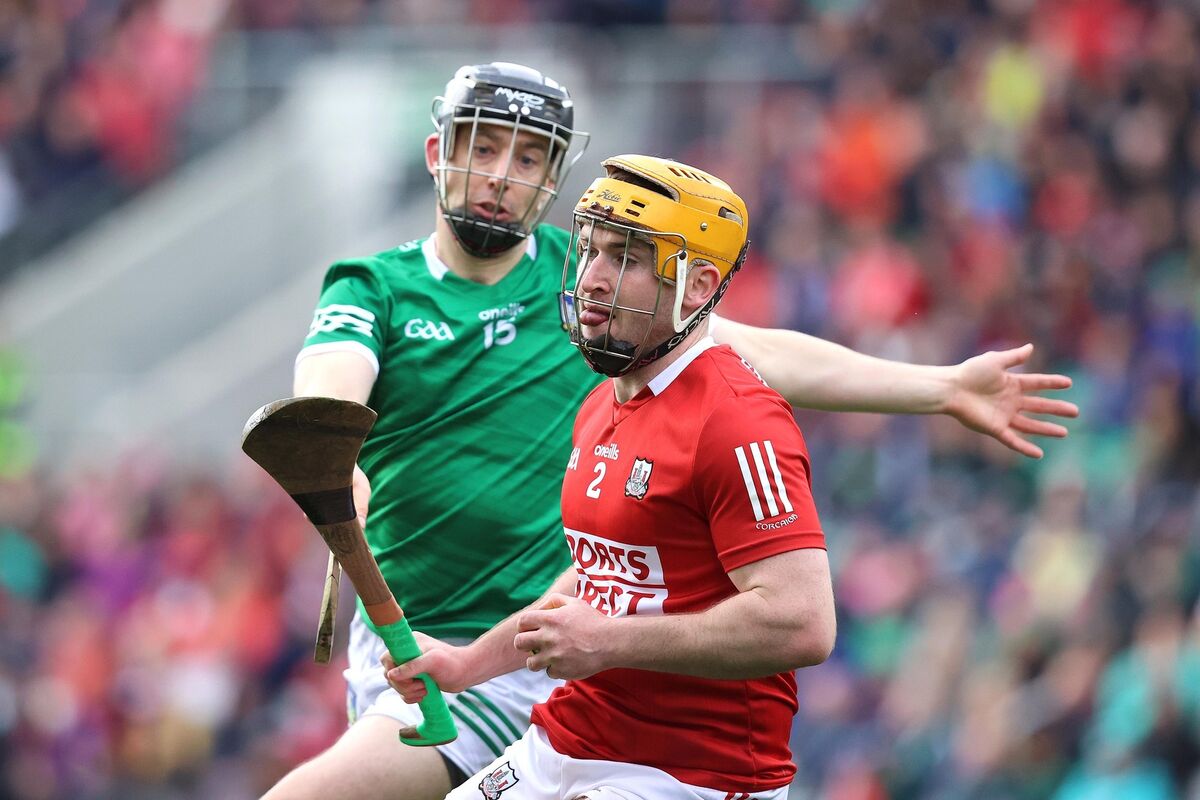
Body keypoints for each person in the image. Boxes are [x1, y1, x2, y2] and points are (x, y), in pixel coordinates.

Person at [268, 62, 1077, 800]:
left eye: (527, 158)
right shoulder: (390, 289)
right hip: (442, 652)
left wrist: (939, 388)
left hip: (558, 687)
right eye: (485, 149)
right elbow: (331, 402)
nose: (500, 178)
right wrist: (337, 462)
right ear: (437, 152)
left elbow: (755, 353)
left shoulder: (640, 319)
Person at [386, 153, 832, 798]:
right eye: (591, 250)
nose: (591, 277)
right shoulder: (603, 401)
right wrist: (466, 665)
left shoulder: (739, 421)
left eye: (624, 258)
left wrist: (610, 641)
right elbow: (597, 578)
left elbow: (803, 622)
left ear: (699, 287)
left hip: (690, 776)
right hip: (565, 744)